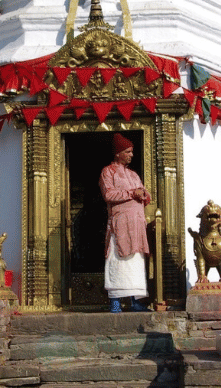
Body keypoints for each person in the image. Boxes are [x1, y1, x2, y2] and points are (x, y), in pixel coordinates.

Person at [99, 133, 151, 313]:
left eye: (131, 152)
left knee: (135, 262)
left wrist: (144, 195)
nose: (131, 155)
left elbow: (144, 193)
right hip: (119, 224)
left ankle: (135, 301)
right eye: (128, 152)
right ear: (118, 153)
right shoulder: (108, 172)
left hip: (136, 225)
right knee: (117, 260)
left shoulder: (133, 174)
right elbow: (108, 195)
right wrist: (131, 194)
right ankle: (115, 300)